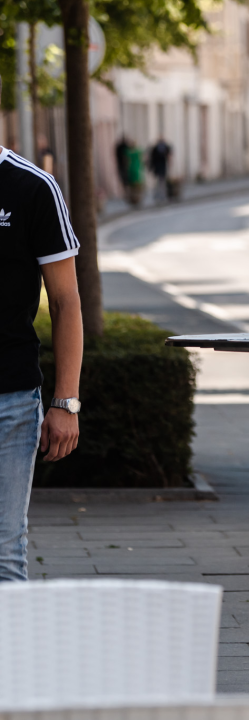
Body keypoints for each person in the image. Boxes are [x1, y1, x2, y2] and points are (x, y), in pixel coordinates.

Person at [0, 137, 84, 583]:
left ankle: (8, 655)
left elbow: (66, 302)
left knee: (2, 551)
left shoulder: (32, 187)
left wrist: (65, 402)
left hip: (8, 400)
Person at [149, 138, 171, 204]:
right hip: (160, 167)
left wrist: (151, 167)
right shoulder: (162, 148)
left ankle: (159, 195)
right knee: (161, 182)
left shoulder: (156, 148)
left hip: (158, 168)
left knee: (159, 182)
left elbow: (152, 159)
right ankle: (160, 195)